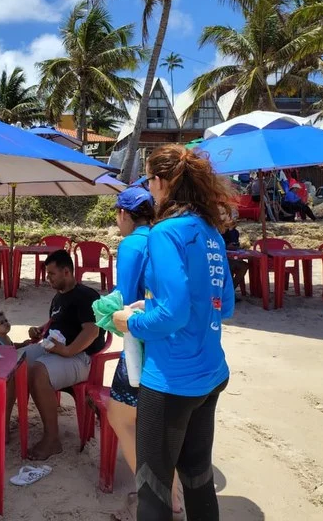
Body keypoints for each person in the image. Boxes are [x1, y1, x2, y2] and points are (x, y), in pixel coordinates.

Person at [113, 144, 235, 521]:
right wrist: (149, 308)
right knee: (198, 478)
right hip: (211, 374)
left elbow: (174, 312)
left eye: (149, 179)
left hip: (171, 381)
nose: (149, 188)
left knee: (153, 488)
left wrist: (130, 321)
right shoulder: (211, 233)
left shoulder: (165, 233)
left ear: (163, 182)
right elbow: (224, 305)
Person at [104, 188, 185, 517]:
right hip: (172, 343)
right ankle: (175, 494)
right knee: (159, 424)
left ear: (123, 214)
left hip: (140, 340)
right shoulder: (164, 237)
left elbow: (124, 299)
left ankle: (157, 494)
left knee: (120, 417)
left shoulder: (132, 244)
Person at [21, 249, 106, 461]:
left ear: (66, 272)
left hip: (80, 357)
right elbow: (57, 324)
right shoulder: (59, 297)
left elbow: (92, 330)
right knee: (15, 361)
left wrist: (66, 351)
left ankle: (52, 439)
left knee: (39, 372)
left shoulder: (86, 296)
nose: (47, 278)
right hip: (55, 349)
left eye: (51, 274)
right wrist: (40, 330)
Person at [219, 204, 249, 293]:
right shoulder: (216, 230)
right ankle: (228, 293)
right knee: (230, 267)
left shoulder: (234, 231)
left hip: (230, 257)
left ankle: (230, 291)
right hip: (219, 258)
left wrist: (231, 229)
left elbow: (235, 243)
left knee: (244, 266)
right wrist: (226, 246)